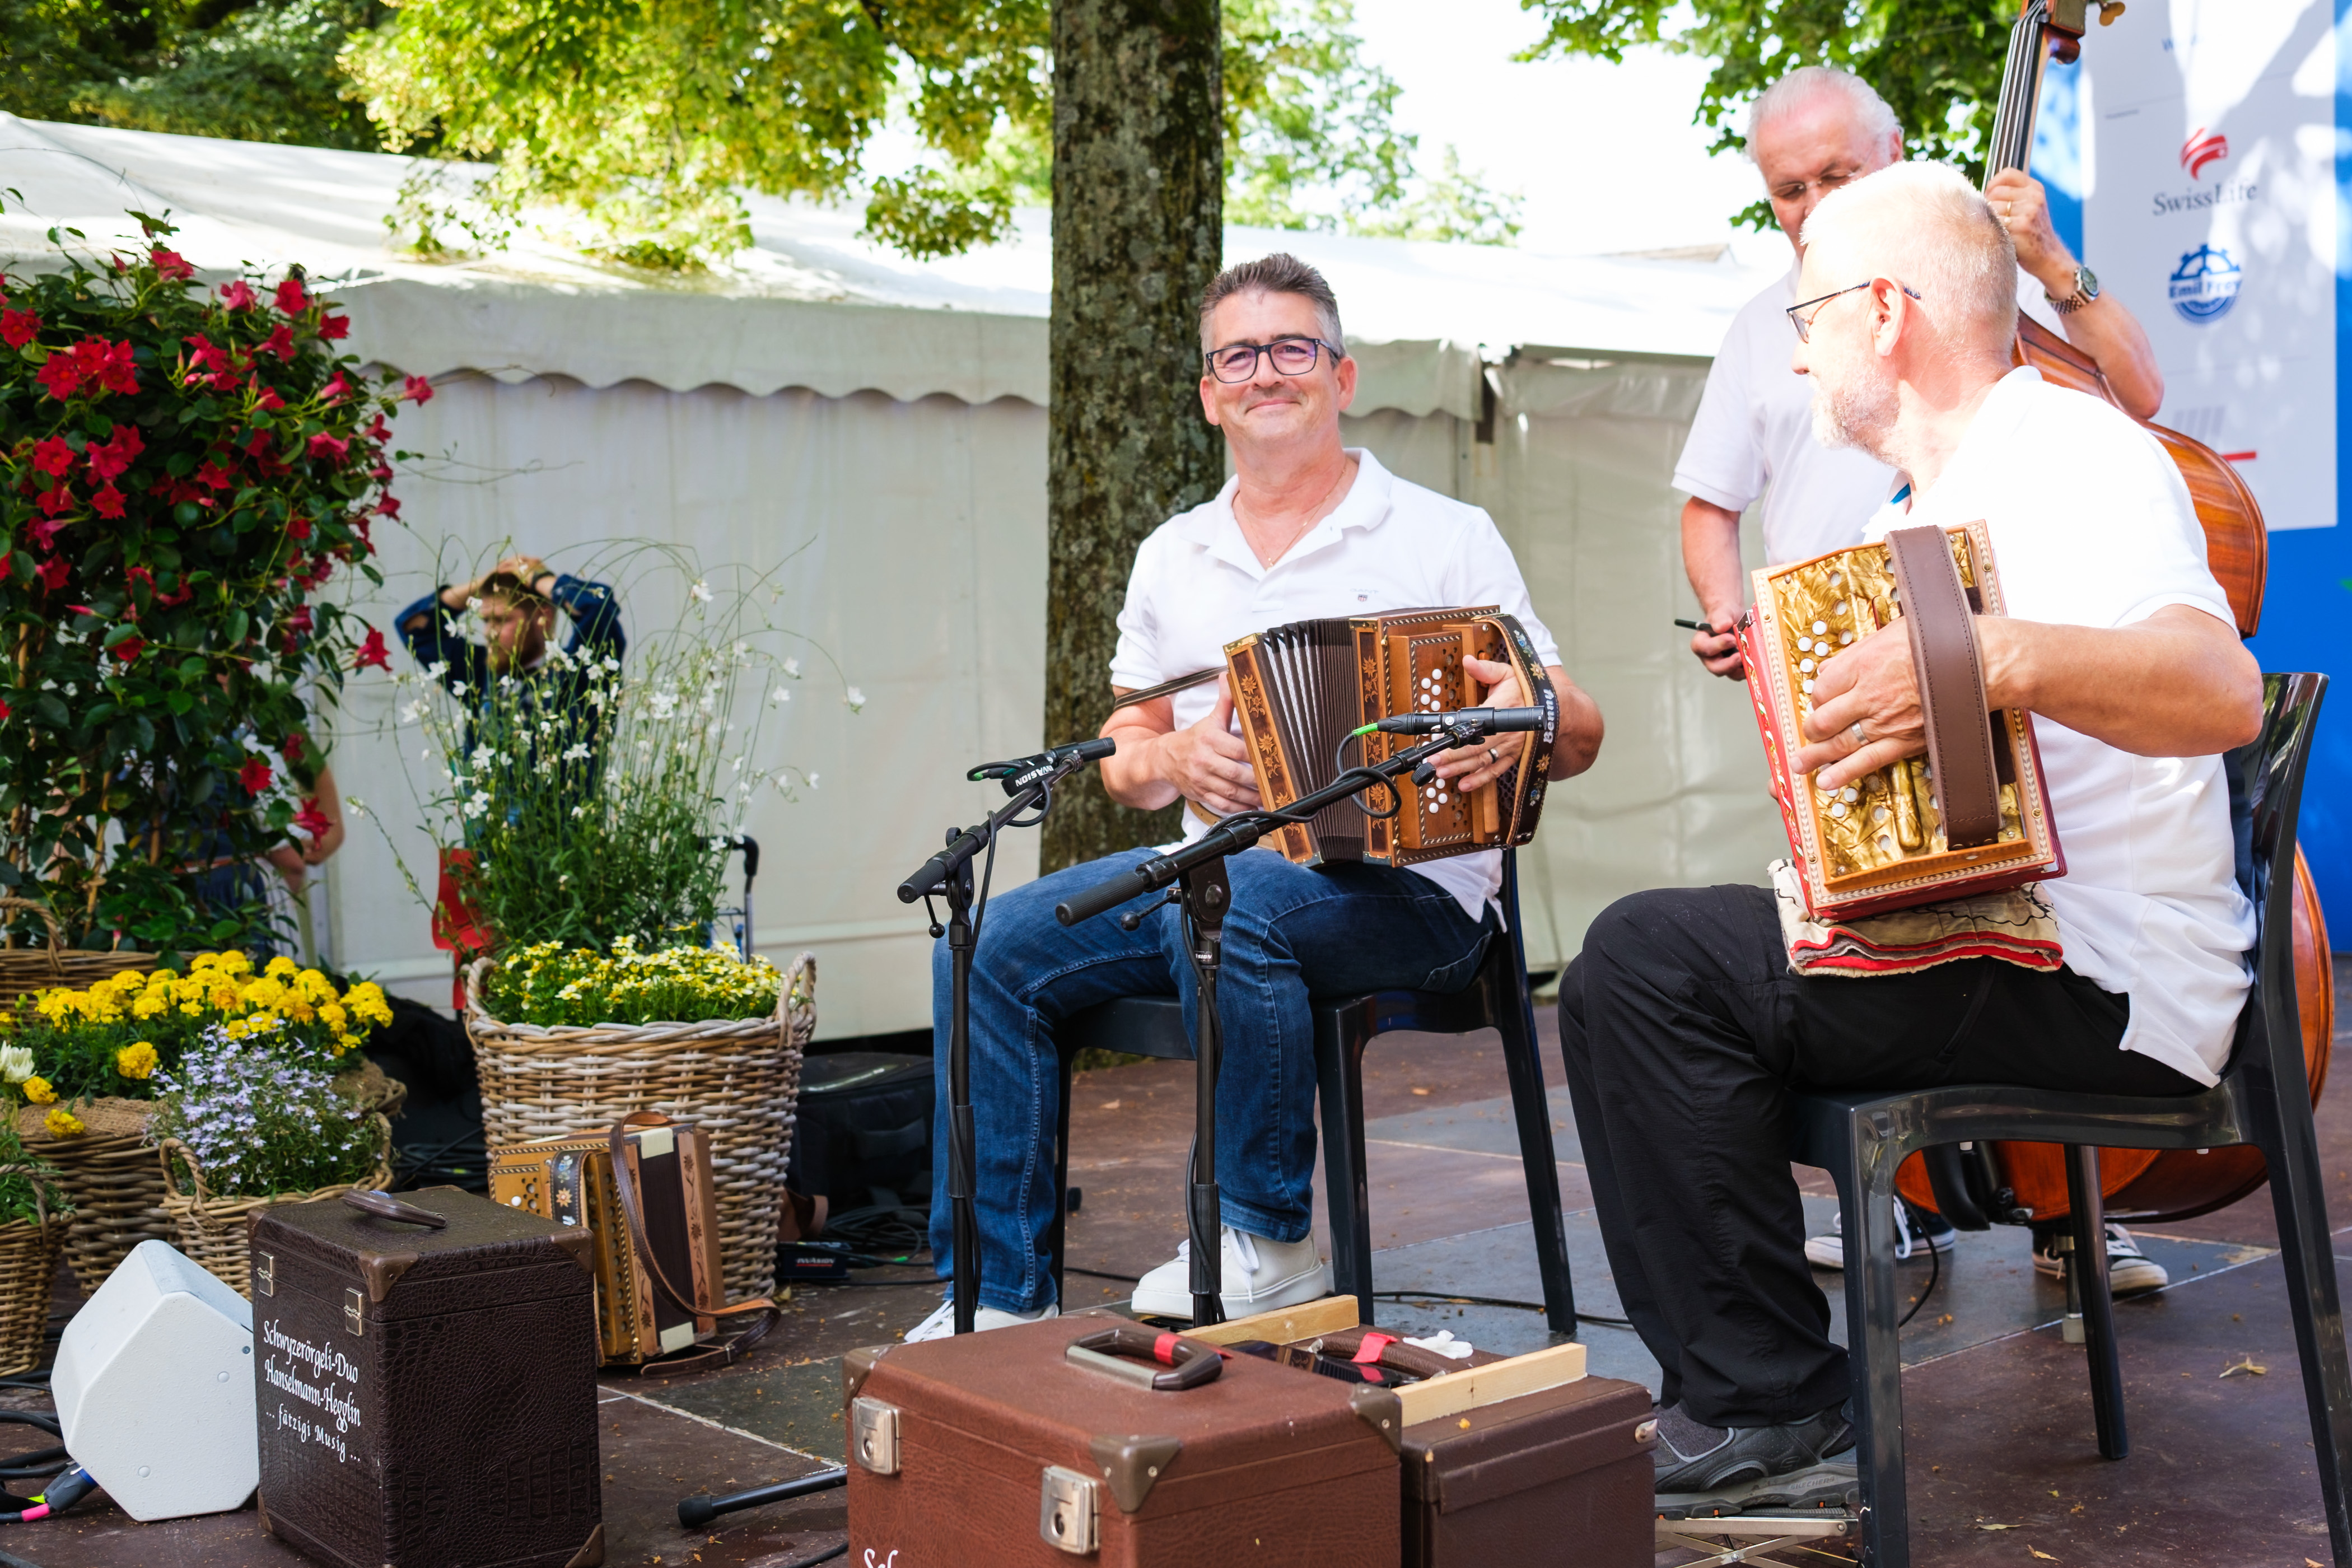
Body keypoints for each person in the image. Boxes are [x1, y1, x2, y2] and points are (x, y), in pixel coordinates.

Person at [1561, 160, 2259, 1514]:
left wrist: (1981, 655)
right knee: (1639, 970)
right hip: (1995, 941)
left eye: (1808, 315)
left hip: (2102, 975)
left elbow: (2221, 690)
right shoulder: (1913, 512)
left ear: (1885, 313)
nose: (1797, 352)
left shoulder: (2074, 451)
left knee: (1650, 962)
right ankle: (1755, 1392)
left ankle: (1772, 1409)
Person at [906, 254, 1606, 1342]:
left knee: (1232, 900)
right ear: (1208, 393)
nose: (1265, 372)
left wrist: (1526, 713)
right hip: (1217, 876)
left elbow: (1580, 727)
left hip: (1414, 893)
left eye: (1291, 348)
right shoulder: (1173, 554)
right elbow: (1126, 755)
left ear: (1342, 376)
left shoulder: (1444, 533)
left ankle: (1267, 1241)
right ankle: (997, 1297)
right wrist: (1177, 757)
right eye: (1237, 356)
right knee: (989, 945)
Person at [1674, 67, 2173, 1289]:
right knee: (1827, 904)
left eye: (1834, 178)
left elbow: (2141, 401)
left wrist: (2053, 264)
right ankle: (1900, 1204)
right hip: (1852, 658)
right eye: (1787, 188)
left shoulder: (1989, 310)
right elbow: (1709, 502)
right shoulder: (1766, 331)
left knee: (1674, 966)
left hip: (2076, 882)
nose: (1807, 206)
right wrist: (1742, 619)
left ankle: (2067, 1206)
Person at [396, 554, 626, 799]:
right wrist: (484, 584)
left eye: (501, 620)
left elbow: (598, 608)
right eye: (485, 621)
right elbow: (414, 629)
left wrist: (539, 580)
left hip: (564, 824)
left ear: (544, 618)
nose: (489, 633)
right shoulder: (481, 674)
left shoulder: (582, 675)